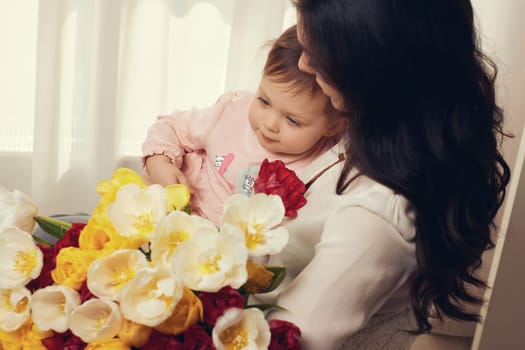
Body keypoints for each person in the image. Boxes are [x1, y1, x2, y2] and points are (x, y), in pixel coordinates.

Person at [258, 1, 511, 349]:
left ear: (369, 69)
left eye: (316, 56)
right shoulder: (389, 132)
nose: (302, 63)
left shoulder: (376, 217)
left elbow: (285, 340)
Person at [141, 25, 346, 225]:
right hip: (175, 218)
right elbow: (171, 126)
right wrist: (159, 163)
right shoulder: (231, 112)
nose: (269, 124)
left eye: (292, 120)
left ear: (334, 125)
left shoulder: (325, 165)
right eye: (264, 101)